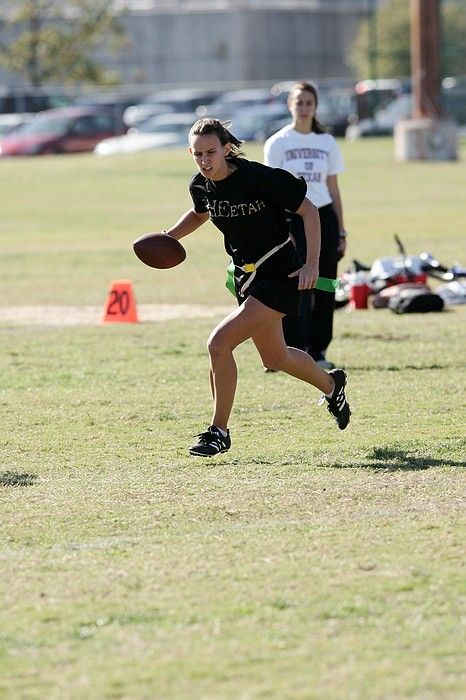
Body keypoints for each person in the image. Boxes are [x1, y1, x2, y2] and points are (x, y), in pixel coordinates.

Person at [160, 118, 351, 456]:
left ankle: (218, 431)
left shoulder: (258, 178)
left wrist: (312, 264)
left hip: (280, 274)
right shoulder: (201, 186)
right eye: (198, 154)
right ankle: (332, 385)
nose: (205, 160)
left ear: (227, 148)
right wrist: (169, 237)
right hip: (247, 277)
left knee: (219, 344)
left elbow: (310, 212)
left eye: (212, 152)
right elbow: (199, 213)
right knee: (275, 357)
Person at [264, 81, 347, 370]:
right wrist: (281, 229)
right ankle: (291, 350)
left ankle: (319, 350)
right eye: (299, 102)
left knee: (326, 284)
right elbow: (271, 192)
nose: (303, 107)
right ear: (290, 105)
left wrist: (341, 230)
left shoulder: (327, 142)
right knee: (295, 285)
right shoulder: (278, 143)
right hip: (293, 217)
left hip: (323, 216)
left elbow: (333, 189)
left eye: (309, 102)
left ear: (315, 106)